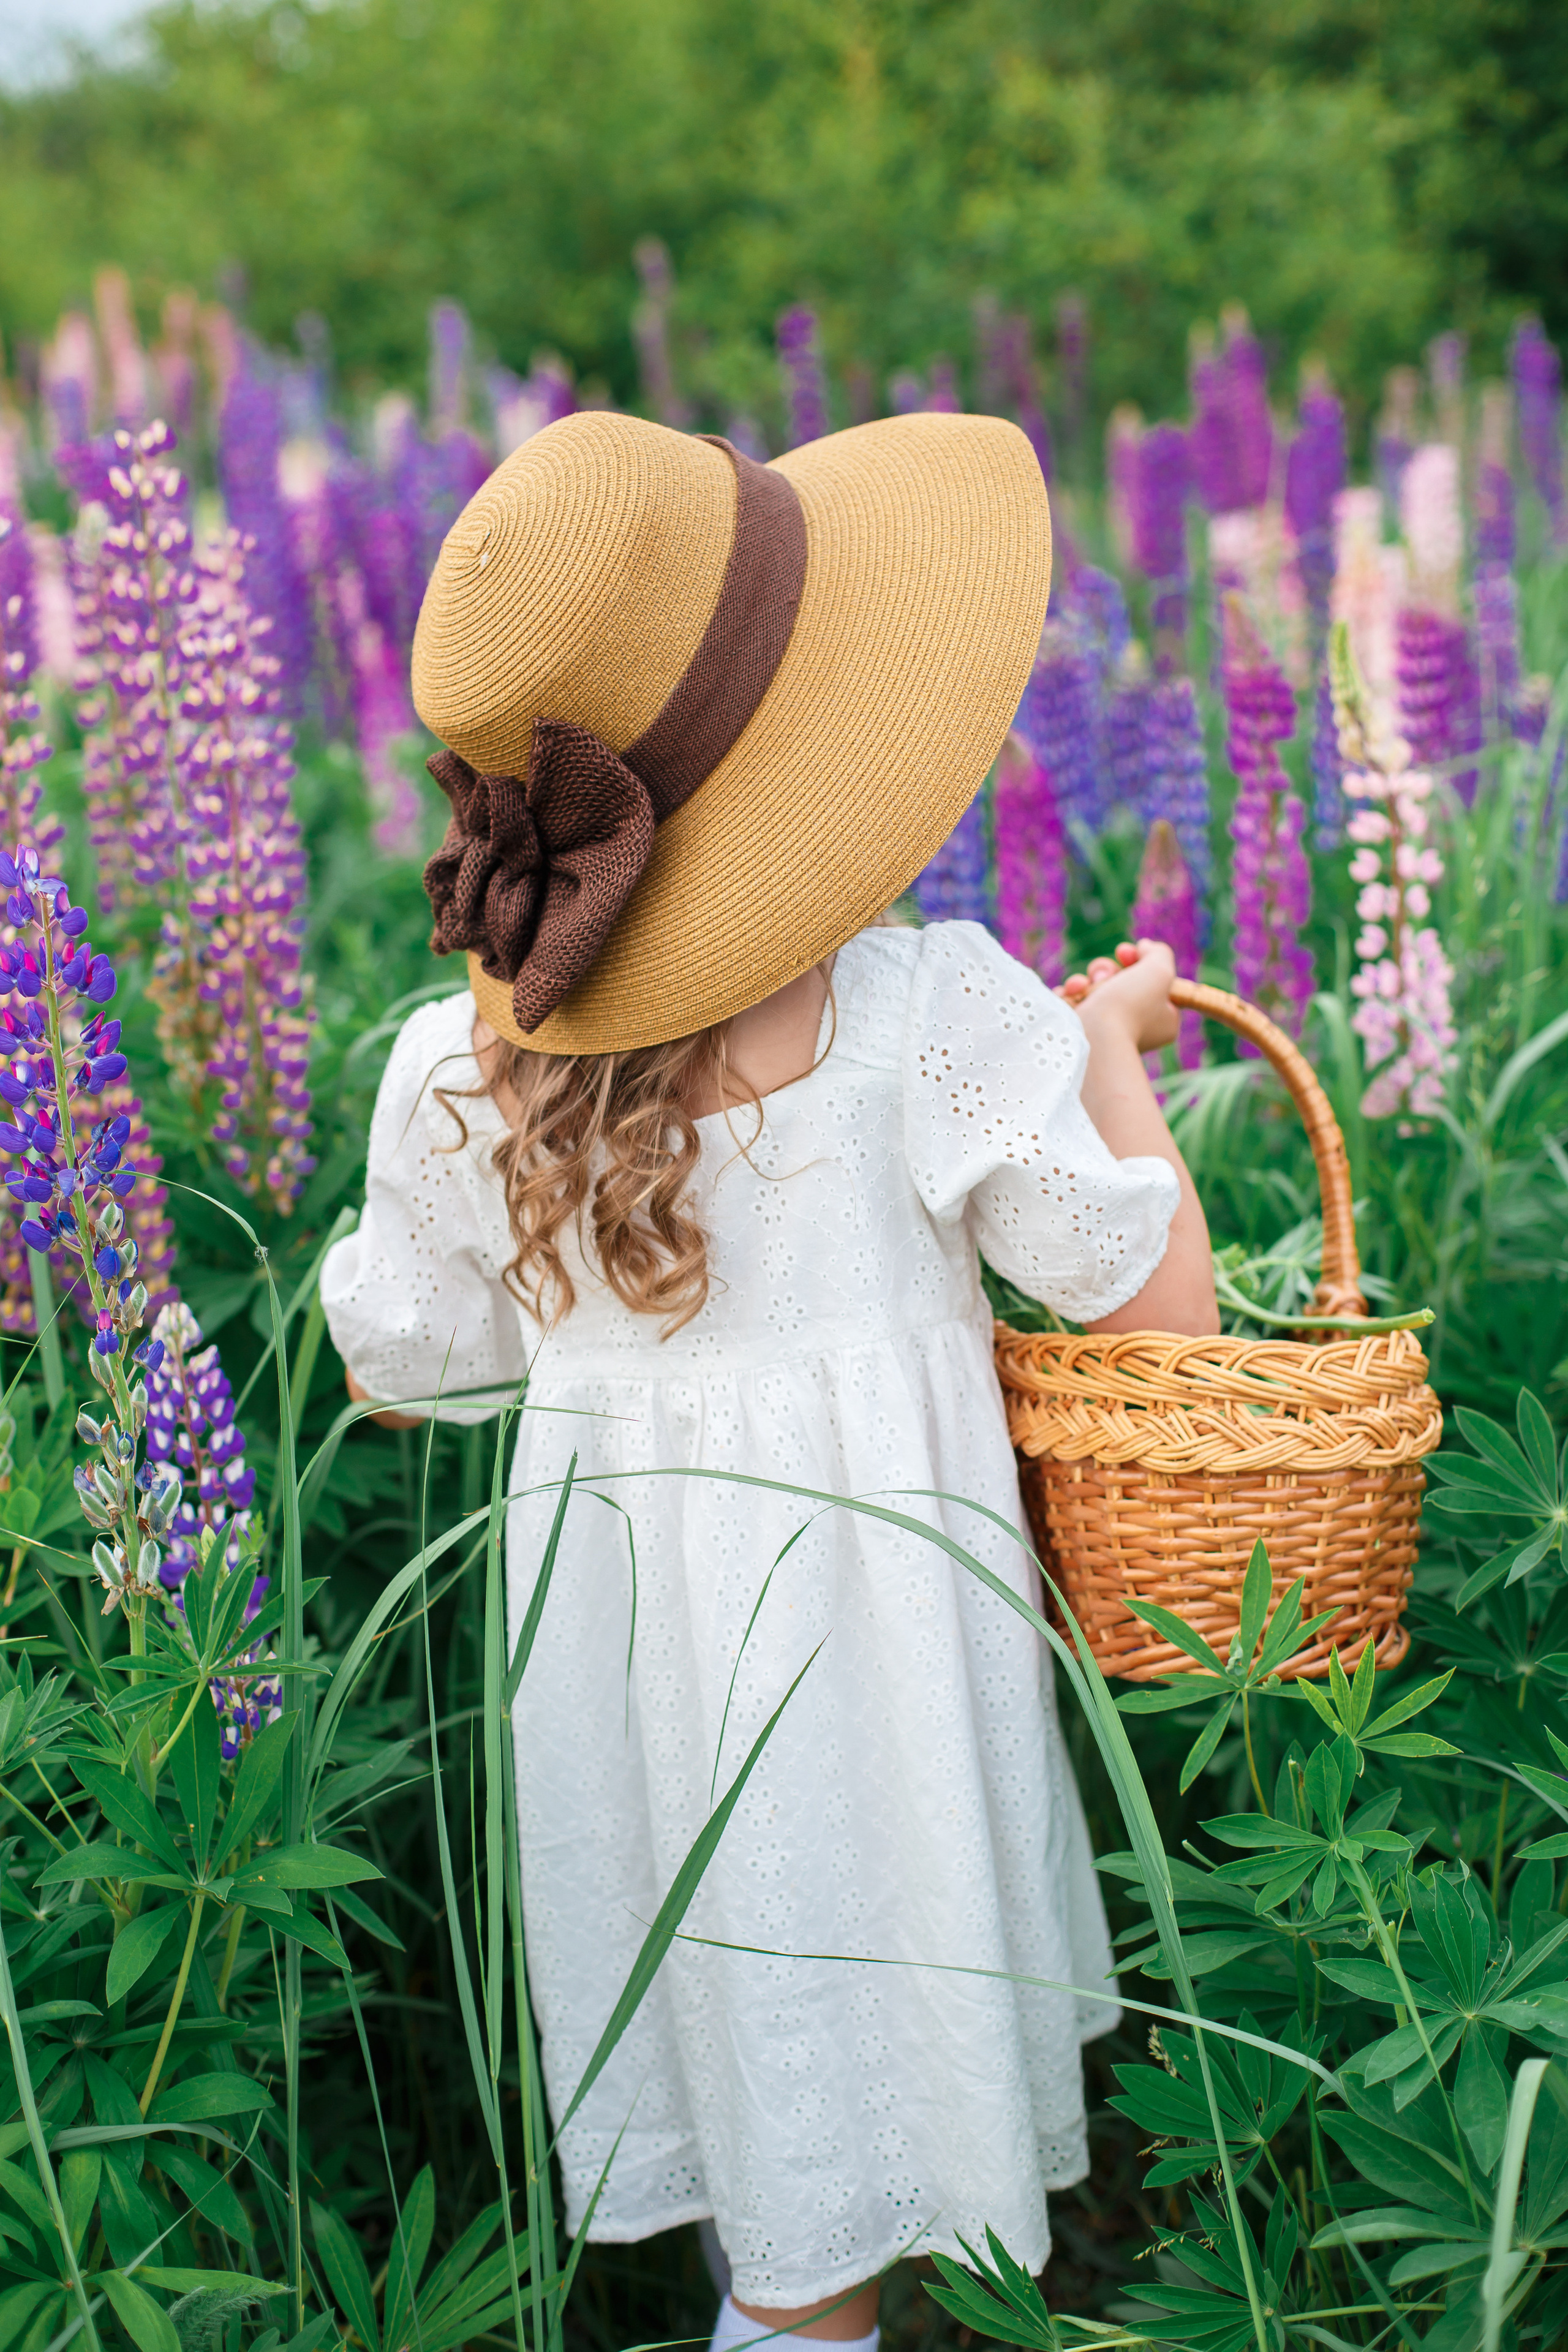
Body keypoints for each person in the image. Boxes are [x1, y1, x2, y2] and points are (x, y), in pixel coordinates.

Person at [321, 410, 1218, 2351]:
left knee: (770, 2114)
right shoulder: (933, 1018)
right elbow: (1167, 1328)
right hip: (875, 1698)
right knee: (823, 2262)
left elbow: (409, 1373)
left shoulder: (451, 1075)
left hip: (624, 1695)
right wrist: (1120, 1051)